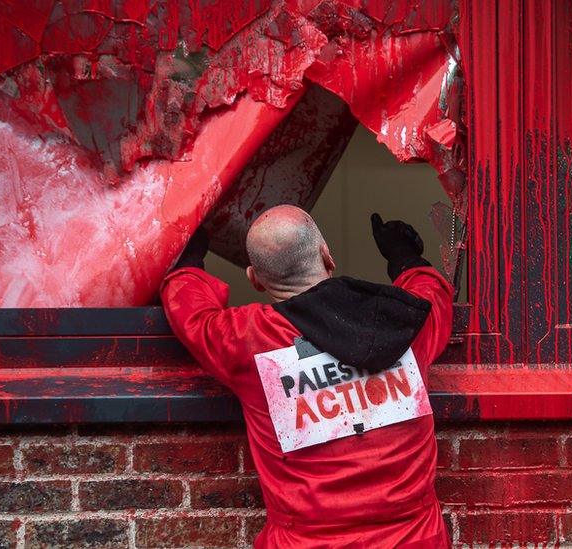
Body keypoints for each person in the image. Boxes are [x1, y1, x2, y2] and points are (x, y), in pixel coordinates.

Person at [160, 205, 453, 548]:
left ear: (254, 279)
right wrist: (403, 255)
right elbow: (431, 293)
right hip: (415, 539)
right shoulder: (406, 322)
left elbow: (191, 313)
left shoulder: (247, 341)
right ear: (327, 256)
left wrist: (189, 259)